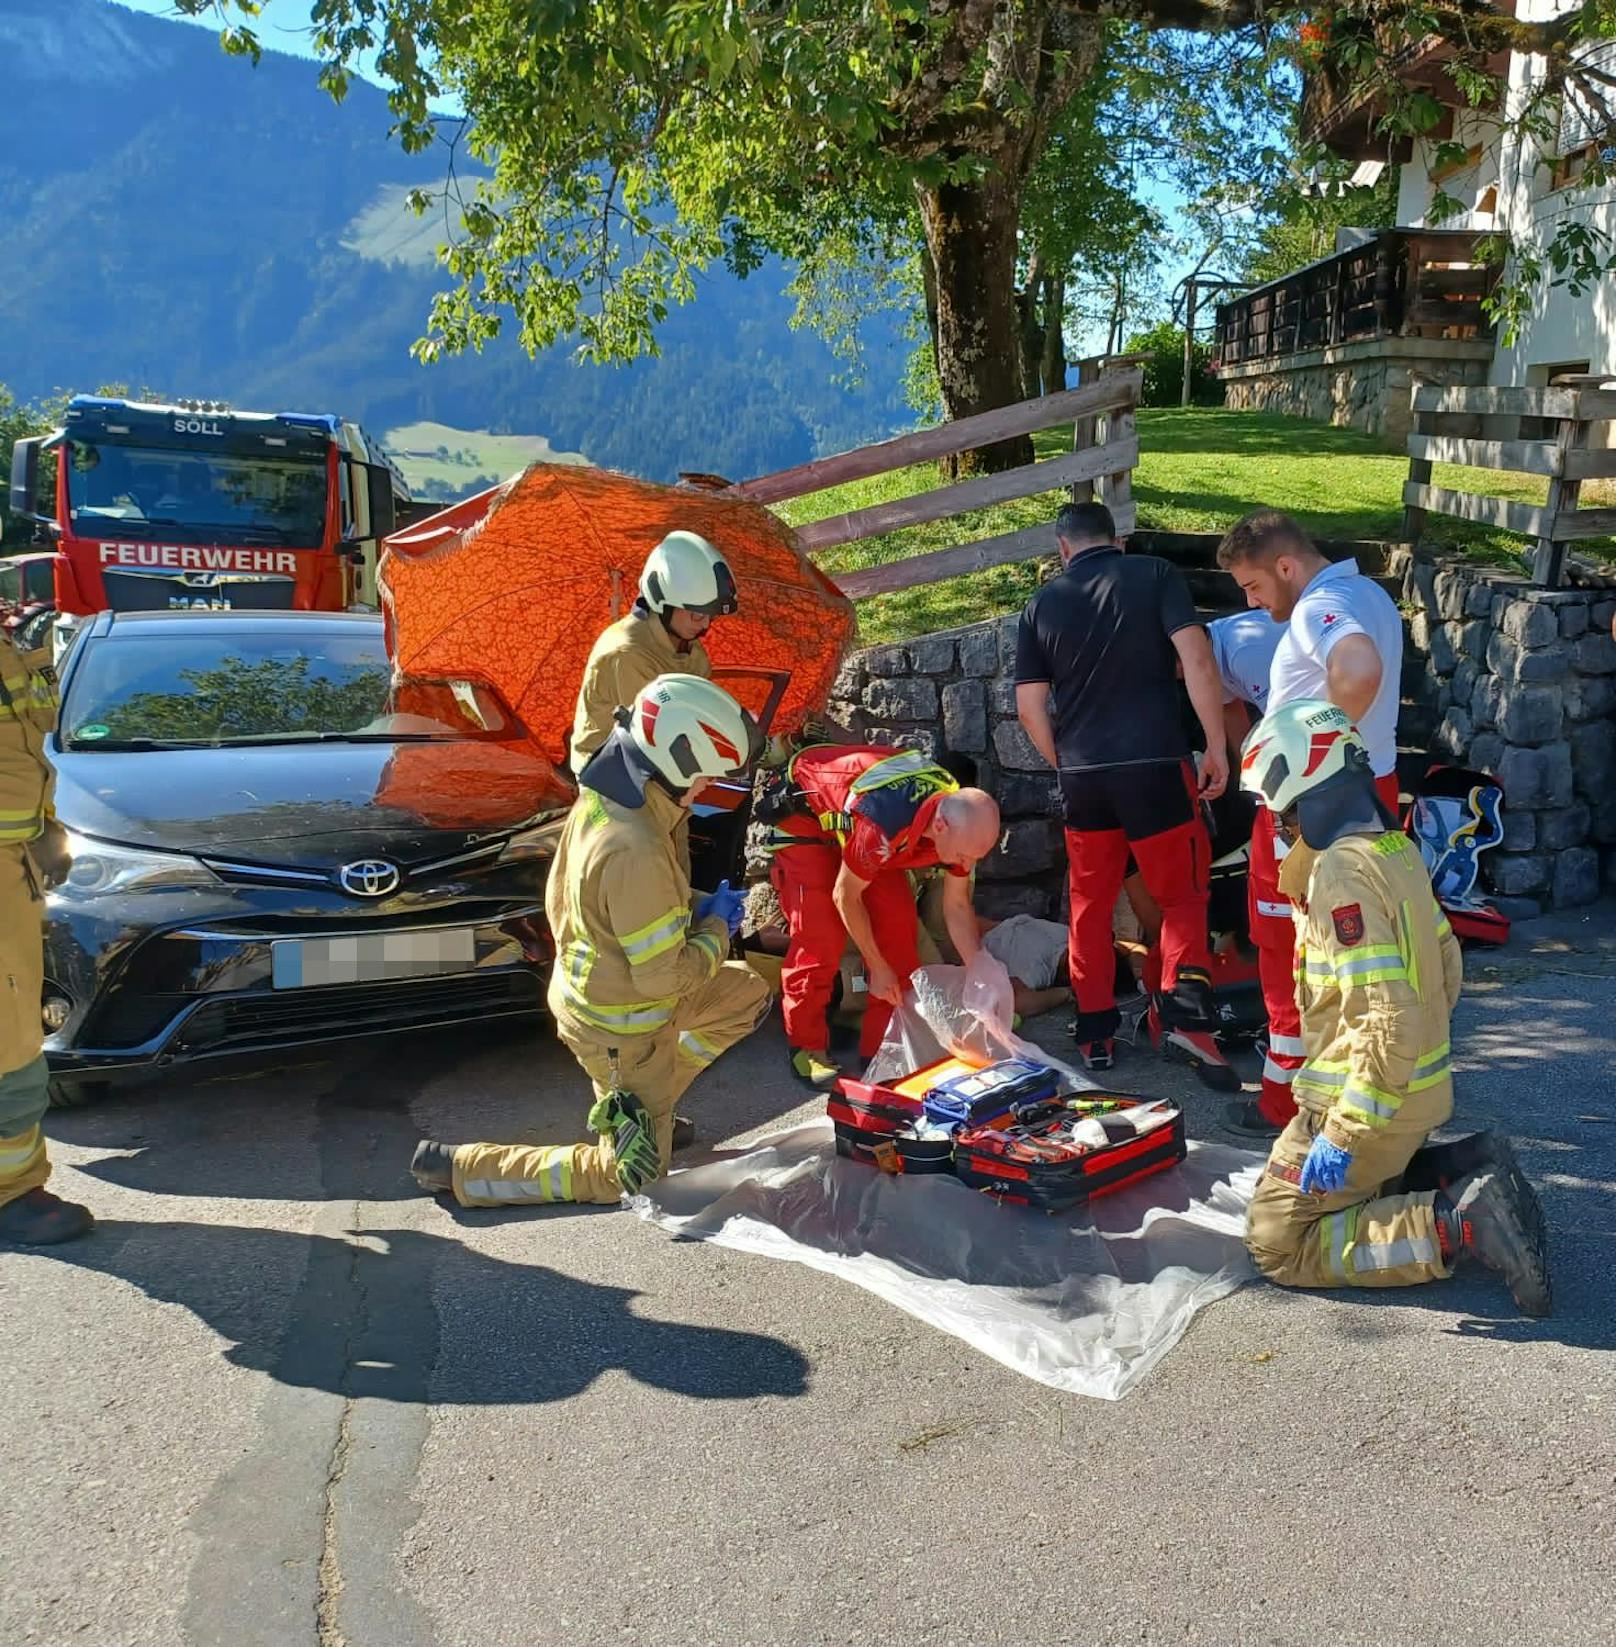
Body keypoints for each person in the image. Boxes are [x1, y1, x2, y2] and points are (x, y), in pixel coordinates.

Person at [409, 674, 771, 1208]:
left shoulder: (611, 796)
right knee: (631, 1178)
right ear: (678, 761)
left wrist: (696, 904)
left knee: (745, 994)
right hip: (624, 1025)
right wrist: (718, 926)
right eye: (706, 777)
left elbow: (614, 901)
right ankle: (462, 1168)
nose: (705, 791)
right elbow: (663, 974)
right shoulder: (637, 846)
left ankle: (652, 1109)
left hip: (617, 998)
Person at [1239, 699, 1550, 1315]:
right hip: (1413, 1096)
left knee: (1276, 1241)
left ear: (1308, 789)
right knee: (1343, 1191)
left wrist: (1347, 1129)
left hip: (1366, 1105)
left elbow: (1388, 1015)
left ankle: (1457, 1223)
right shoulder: (1395, 851)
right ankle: (1461, 1166)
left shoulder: (1339, 876)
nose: (1282, 826)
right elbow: (1446, 963)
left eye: (1285, 810)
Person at [1015, 501, 1233, 1082]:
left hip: (1086, 778)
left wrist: (1066, 761)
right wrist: (1216, 745)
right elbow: (1197, 658)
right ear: (1120, 540)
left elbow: (1030, 706)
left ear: (1062, 549)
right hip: (1156, 766)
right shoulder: (1156, 575)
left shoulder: (1042, 604)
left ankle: (1095, 1035)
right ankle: (1187, 1025)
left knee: (1090, 905)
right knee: (1182, 898)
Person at [1217, 511, 1405, 1139]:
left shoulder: (1317, 608)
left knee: (1282, 944)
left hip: (1311, 804)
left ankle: (1283, 1103)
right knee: (1350, 944)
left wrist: (1310, 754)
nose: (1251, 601)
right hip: (1371, 785)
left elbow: (1357, 673)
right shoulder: (1371, 594)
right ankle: (1347, 1087)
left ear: (1285, 567)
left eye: (1253, 586)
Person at [764, 743, 1000, 1087]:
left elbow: (957, 906)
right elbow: (846, 896)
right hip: (804, 816)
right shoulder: (883, 824)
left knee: (899, 931)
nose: (964, 865)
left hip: (864, 822)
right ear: (940, 827)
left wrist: (978, 972)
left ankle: (879, 1049)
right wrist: (875, 966)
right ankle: (807, 1046)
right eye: (963, 856)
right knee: (821, 937)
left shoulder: (956, 817)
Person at [0, 632, 92, 1245]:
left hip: (13, 868)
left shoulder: (10, 646)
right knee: (9, 1046)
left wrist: (44, 829)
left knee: (17, 1033)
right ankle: (11, 1196)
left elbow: (25, 755)